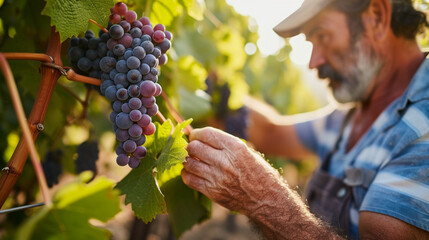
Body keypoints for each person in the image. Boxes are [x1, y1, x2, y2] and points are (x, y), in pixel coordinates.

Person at [181, 0, 429, 239]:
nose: (313, 62)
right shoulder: (348, 117)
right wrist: (211, 92)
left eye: (323, 36)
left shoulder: (423, 126)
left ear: (377, 16)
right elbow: (269, 132)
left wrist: (263, 200)